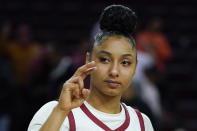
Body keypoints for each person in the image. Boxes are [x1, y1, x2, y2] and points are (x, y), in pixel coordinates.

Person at [28, 5, 154, 131]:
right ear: (88, 60)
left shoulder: (142, 123)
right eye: (105, 59)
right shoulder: (54, 111)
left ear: (135, 67)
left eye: (125, 62)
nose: (114, 71)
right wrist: (61, 111)